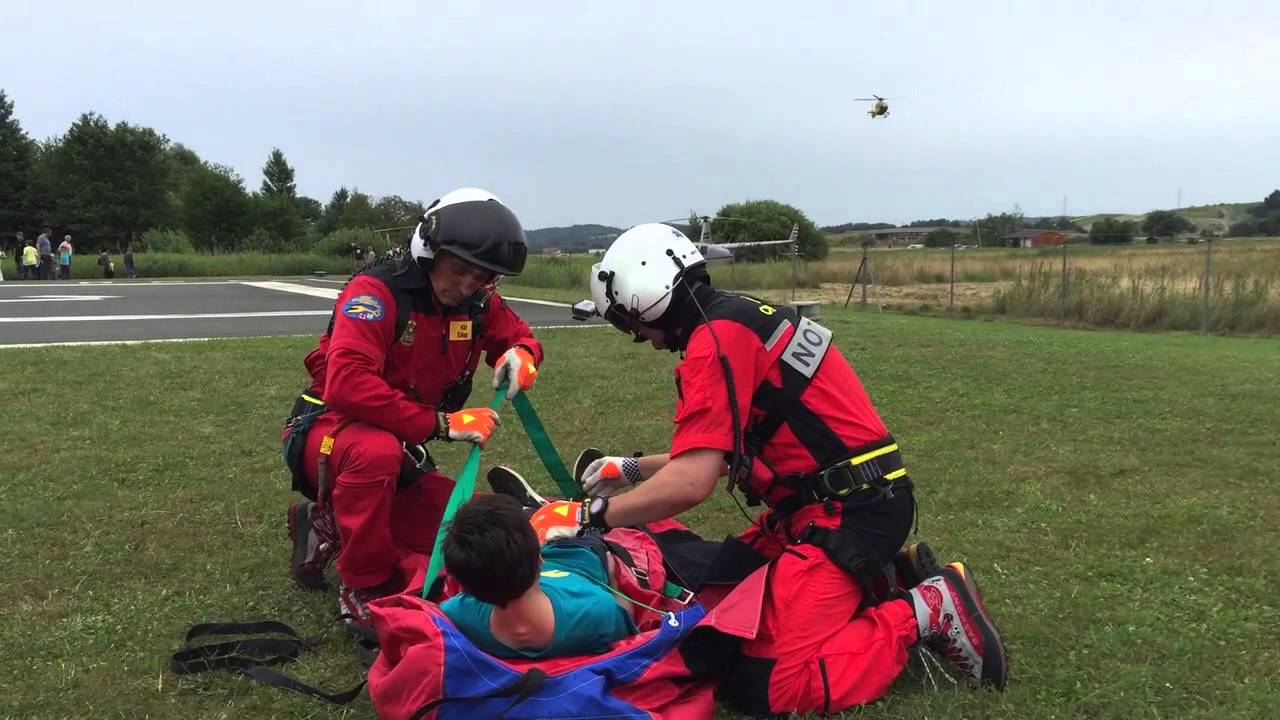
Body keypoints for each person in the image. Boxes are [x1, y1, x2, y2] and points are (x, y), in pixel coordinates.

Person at [570, 224, 1008, 715]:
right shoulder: (736, 320)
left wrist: (591, 516)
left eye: (632, 326)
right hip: (832, 505)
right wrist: (630, 467)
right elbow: (713, 454)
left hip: (848, 516)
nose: (642, 341)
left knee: (770, 685)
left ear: (644, 298)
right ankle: (883, 580)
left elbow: (693, 481)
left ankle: (924, 611)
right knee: (712, 617)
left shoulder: (714, 343)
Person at [282, 187, 544, 628]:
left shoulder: (478, 300)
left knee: (454, 523)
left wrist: (523, 353)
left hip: (402, 444)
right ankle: (362, 585)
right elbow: (346, 384)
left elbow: (518, 335)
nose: (465, 285)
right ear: (430, 251)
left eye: (479, 277)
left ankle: (322, 521)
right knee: (376, 452)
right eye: (459, 269)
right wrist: (439, 424)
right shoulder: (374, 294)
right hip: (331, 431)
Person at [439, 492, 638, 659]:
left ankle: (533, 510)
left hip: (530, 559)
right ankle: (536, 510)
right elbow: (626, 617)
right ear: (539, 558)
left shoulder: (454, 616)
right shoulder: (597, 609)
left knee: (548, 519)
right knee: (568, 515)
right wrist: (612, 578)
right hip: (577, 552)